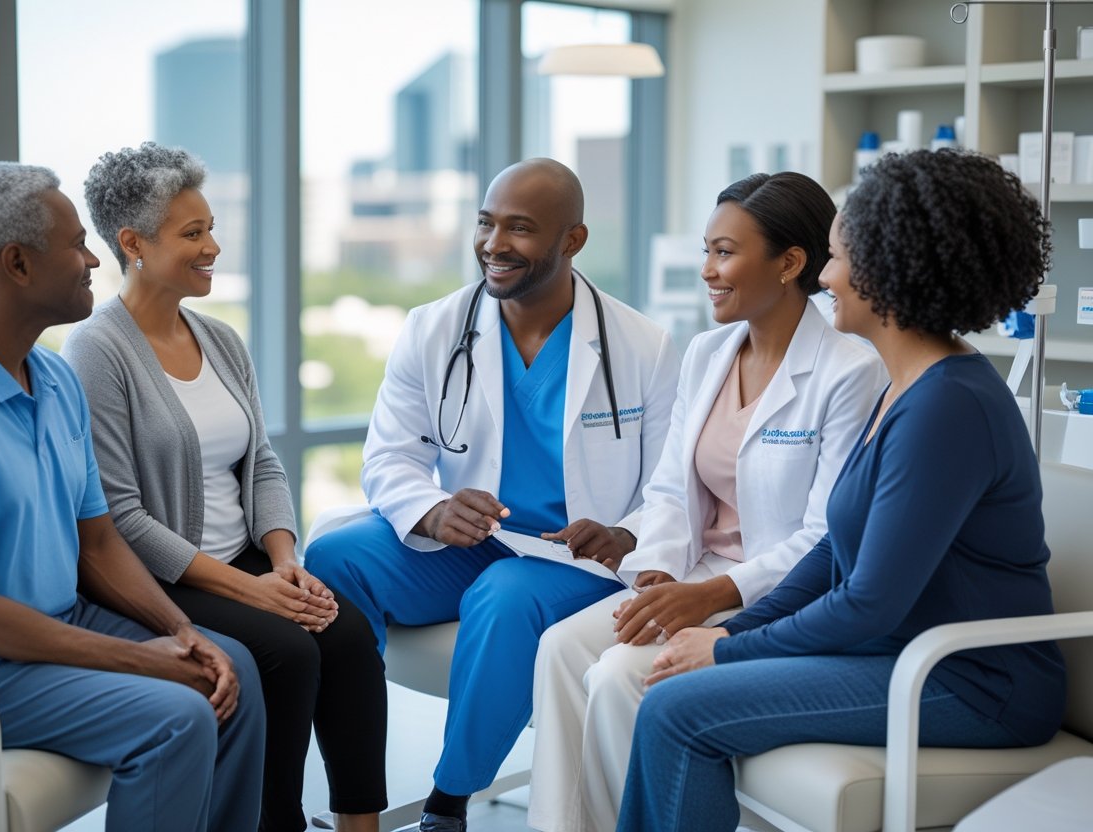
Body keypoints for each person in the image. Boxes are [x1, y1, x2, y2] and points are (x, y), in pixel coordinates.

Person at [616, 149, 1068, 832]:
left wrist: (726, 648)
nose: (825, 280)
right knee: (673, 686)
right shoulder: (907, 388)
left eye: (835, 260)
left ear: (889, 270)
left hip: (972, 684)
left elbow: (868, 602)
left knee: (680, 710)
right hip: (898, 653)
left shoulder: (950, 406)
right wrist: (730, 629)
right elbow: (832, 554)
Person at [0, 162, 266, 832]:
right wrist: (145, 658)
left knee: (235, 673)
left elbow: (100, 540)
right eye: (77, 245)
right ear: (18, 265)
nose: (94, 259)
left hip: (53, 623)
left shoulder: (53, 379)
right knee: (173, 720)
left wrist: (179, 632)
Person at [304, 157, 680, 832]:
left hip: (572, 560)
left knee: (504, 598)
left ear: (573, 240)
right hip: (469, 540)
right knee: (335, 558)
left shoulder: (643, 347)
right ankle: (355, 799)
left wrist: (626, 532)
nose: (494, 243)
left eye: (521, 228)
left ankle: (448, 803)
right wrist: (433, 508)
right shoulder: (433, 328)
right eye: (486, 222)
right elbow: (390, 456)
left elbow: (672, 487)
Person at [526, 171, 887, 832]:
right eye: (707, 251)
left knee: (617, 677)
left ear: (790, 263)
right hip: (691, 576)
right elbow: (669, 487)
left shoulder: (851, 371)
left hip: (769, 598)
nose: (707, 270)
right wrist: (659, 570)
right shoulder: (708, 352)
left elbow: (824, 536)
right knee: (558, 648)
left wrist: (716, 594)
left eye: (725, 252)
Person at [62, 142, 386, 832]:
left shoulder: (221, 339)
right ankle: (276, 823)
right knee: (289, 648)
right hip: (164, 575)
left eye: (210, 227)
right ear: (133, 243)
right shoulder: (96, 352)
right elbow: (119, 516)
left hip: (245, 561)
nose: (213, 245)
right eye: (193, 232)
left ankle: (362, 826)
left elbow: (262, 462)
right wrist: (250, 591)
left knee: (349, 637)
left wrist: (283, 562)